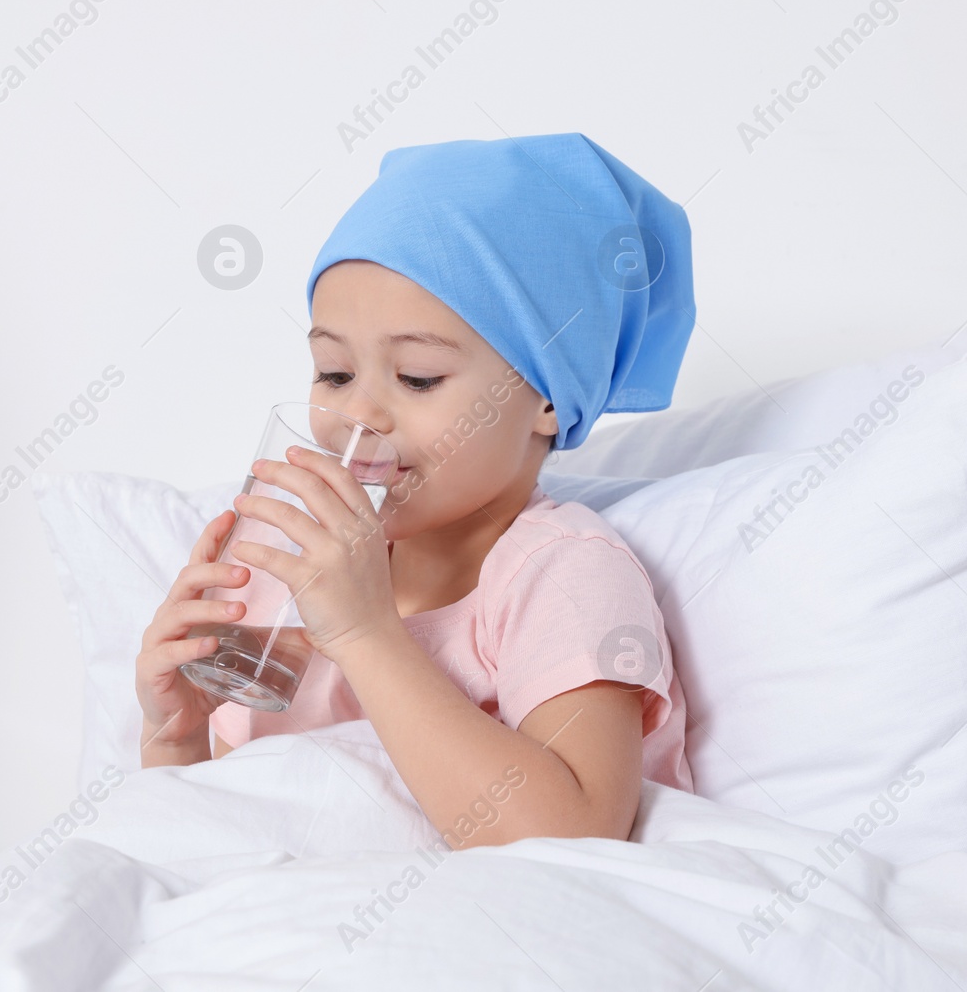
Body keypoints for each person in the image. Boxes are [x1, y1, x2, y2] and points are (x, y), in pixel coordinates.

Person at [135, 133, 696, 849]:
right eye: (334, 373)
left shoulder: (563, 571)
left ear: (549, 398)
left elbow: (574, 834)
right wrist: (177, 741)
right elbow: (240, 833)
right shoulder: (292, 586)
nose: (361, 415)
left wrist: (367, 635)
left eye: (419, 377)